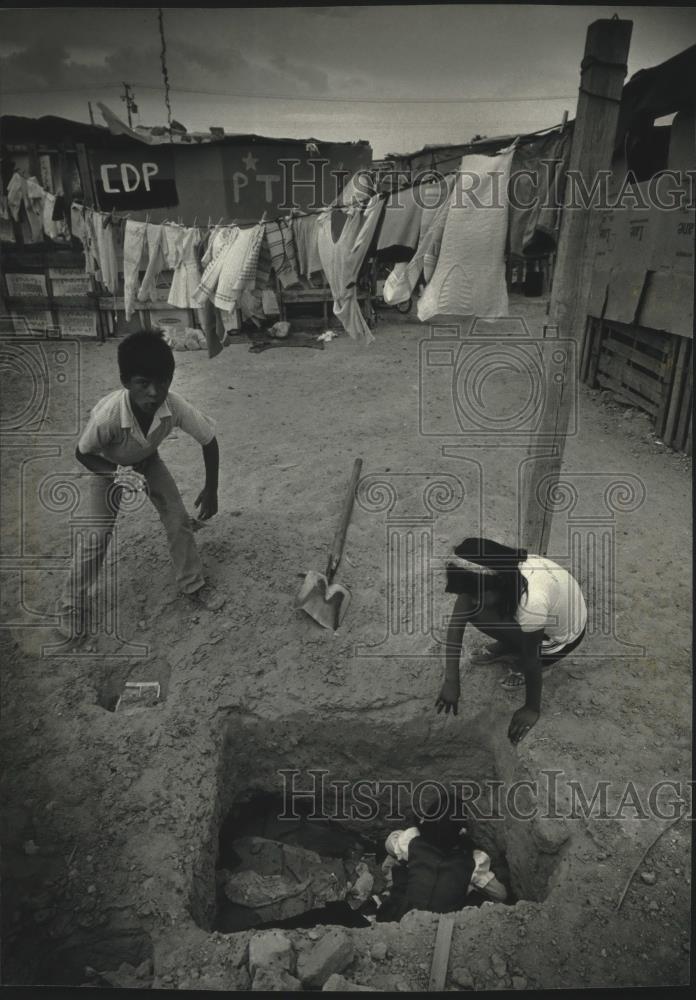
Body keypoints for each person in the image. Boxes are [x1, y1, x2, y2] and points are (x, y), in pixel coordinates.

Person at [58, 330, 224, 638]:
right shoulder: (108, 416)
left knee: (177, 517)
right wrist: (116, 474)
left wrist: (211, 487)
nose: (154, 392)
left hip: (148, 462)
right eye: (143, 383)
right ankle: (70, 604)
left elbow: (209, 440)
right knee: (97, 535)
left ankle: (193, 585)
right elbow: (82, 453)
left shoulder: (174, 406)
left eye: (162, 382)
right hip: (107, 467)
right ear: (125, 381)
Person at [435, 537, 587, 744]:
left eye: (476, 594)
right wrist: (451, 681)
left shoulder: (531, 601)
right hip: (546, 617)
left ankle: (527, 659)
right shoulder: (498, 572)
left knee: (525, 653)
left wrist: (531, 708)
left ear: (496, 585)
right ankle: (507, 645)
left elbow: (532, 659)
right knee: (474, 610)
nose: (472, 599)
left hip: (560, 639)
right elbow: (457, 622)